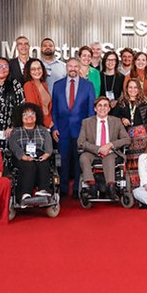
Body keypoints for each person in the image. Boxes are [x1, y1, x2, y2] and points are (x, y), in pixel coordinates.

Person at [51, 58, 96, 196]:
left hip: (81, 130)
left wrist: (88, 131)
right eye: (70, 66)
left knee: (79, 161)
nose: (73, 69)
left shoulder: (88, 85)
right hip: (62, 130)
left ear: (80, 68)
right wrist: (54, 128)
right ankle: (63, 189)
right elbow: (54, 110)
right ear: (66, 68)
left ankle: (77, 188)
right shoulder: (57, 85)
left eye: (76, 66)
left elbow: (90, 111)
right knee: (63, 161)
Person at [78, 97, 131, 198]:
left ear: (109, 109)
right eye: (100, 105)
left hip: (111, 152)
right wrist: (98, 149)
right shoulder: (86, 122)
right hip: (93, 152)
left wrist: (110, 145)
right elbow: (80, 142)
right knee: (83, 157)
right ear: (95, 109)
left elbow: (127, 139)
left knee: (109, 158)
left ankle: (110, 187)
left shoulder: (116, 121)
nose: (103, 108)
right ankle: (92, 186)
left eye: (105, 105)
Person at [9, 103, 54, 203]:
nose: (29, 116)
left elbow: (48, 144)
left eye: (32, 113)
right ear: (20, 116)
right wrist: (23, 156)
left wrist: (47, 154)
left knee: (43, 165)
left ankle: (44, 190)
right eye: (25, 114)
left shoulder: (43, 130)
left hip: (40, 155)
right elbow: (13, 145)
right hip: (22, 156)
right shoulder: (15, 131)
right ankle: (25, 194)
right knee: (29, 166)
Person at [111, 78, 147, 173]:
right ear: (126, 89)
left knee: (143, 160)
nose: (133, 90)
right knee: (129, 161)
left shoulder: (145, 102)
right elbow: (112, 118)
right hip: (126, 137)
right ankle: (130, 185)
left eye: (135, 87)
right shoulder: (121, 102)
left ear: (139, 89)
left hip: (142, 138)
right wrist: (122, 119)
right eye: (130, 87)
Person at [23, 58, 54, 128]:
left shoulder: (44, 84)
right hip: (39, 125)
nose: (37, 71)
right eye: (33, 69)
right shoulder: (28, 85)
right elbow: (34, 108)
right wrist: (48, 122)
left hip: (49, 122)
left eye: (39, 68)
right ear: (29, 71)